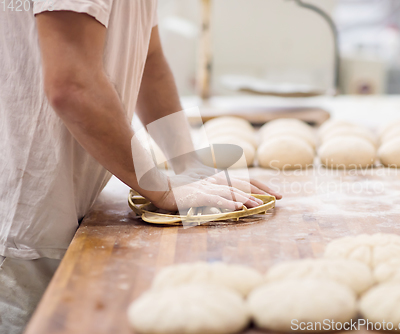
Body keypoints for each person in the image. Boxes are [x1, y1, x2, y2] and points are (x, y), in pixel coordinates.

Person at [0, 1, 281, 333]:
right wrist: (160, 187)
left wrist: (186, 163)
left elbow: (149, 60)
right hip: (24, 225)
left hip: (67, 205)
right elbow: (73, 85)